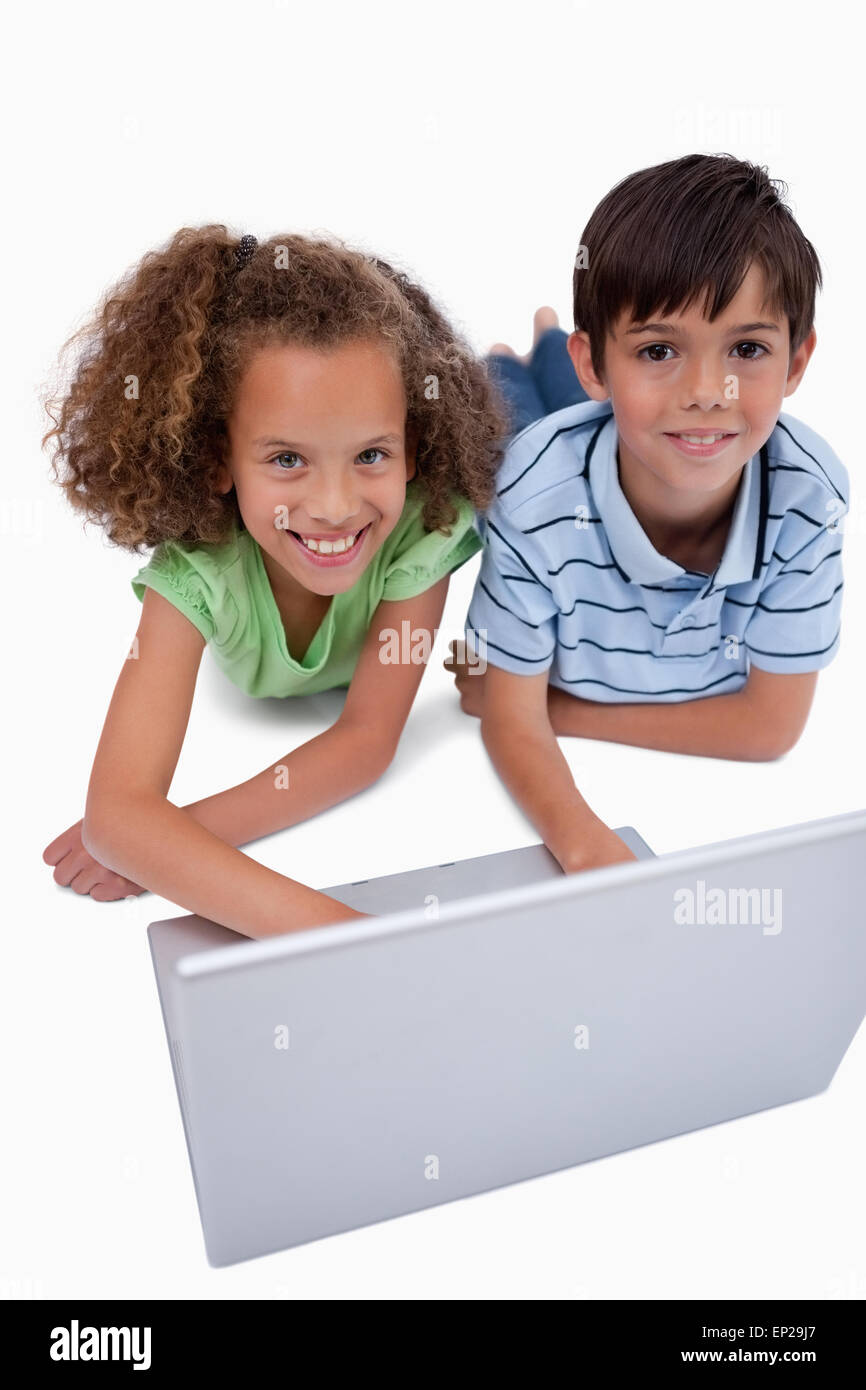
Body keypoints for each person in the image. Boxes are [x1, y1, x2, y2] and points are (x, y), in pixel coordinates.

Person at [42, 227, 506, 938]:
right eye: (287, 458)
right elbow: (117, 815)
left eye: (371, 454)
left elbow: (366, 740)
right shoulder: (196, 575)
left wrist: (170, 845)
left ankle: (514, 356)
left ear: (413, 450)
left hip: (522, 420)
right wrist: (351, 941)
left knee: (523, 398)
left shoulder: (424, 527)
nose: (335, 505)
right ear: (217, 461)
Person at [446, 154, 849, 875]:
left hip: (621, 429)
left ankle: (549, 343)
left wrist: (559, 710)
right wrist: (584, 842)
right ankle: (528, 350)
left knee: (596, 418)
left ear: (796, 362)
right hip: (570, 441)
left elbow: (770, 728)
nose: (707, 391)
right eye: (659, 348)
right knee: (506, 405)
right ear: (596, 360)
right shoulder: (533, 495)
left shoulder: (808, 501)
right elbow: (507, 718)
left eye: (747, 348)